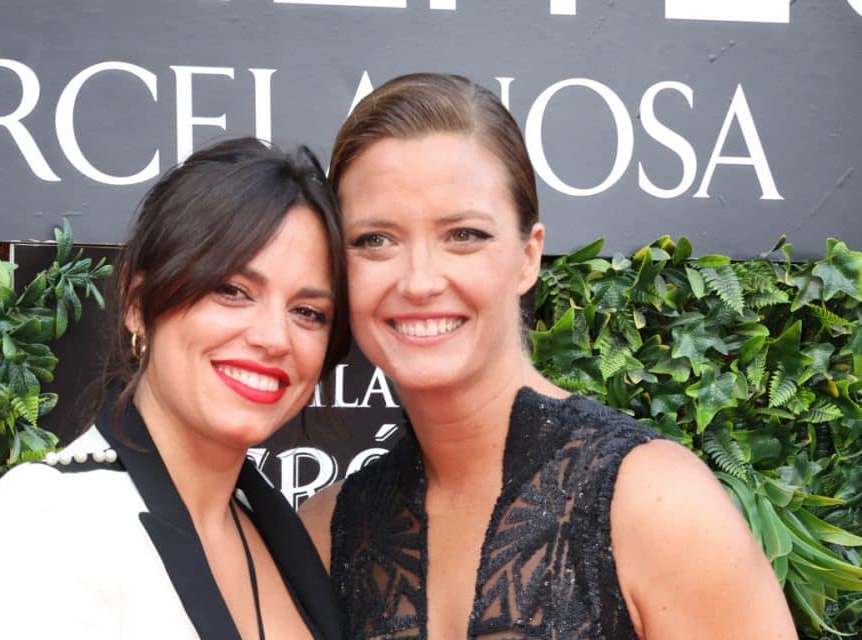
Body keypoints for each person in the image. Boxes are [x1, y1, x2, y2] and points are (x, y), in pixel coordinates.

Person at [299, 73, 796, 639]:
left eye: (464, 235)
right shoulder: (327, 533)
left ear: (528, 257)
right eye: (375, 240)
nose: (419, 281)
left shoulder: (655, 503)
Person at [0, 137, 348, 640]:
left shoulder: (280, 537)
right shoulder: (44, 521)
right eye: (233, 290)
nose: (274, 338)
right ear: (137, 303)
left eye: (308, 312)